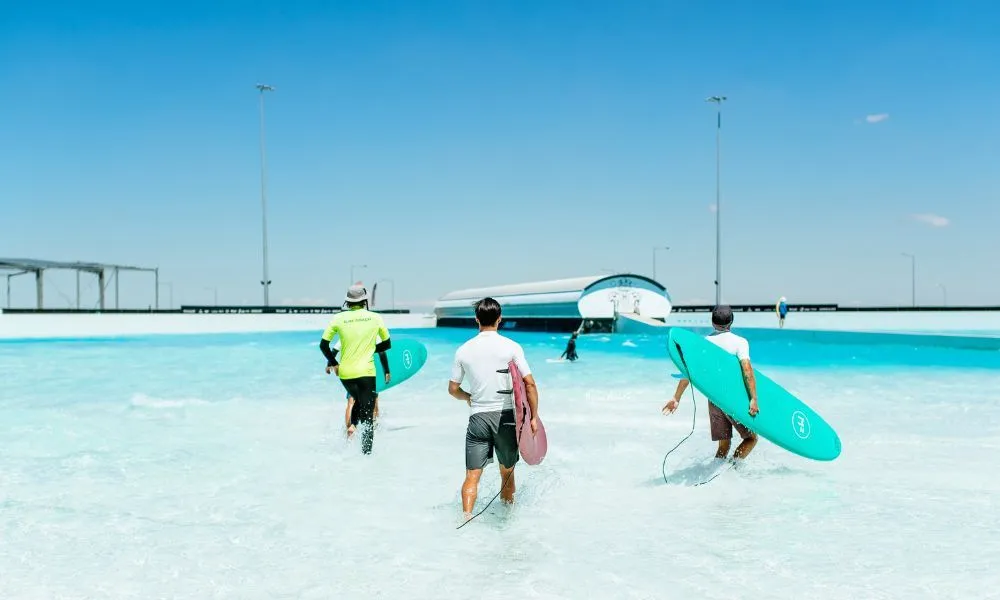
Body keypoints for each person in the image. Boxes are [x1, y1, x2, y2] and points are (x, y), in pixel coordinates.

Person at [448, 297, 539, 521]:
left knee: (472, 476)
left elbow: (452, 389)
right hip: (506, 418)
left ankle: (466, 518)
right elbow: (529, 384)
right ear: (500, 319)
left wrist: (468, 397)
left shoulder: (463, 350)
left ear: (476, 319)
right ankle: (507, 521)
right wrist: (533, 417)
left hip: (477, 418)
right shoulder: (511, 347)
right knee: (507, 473)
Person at [662, 305, 760, 460]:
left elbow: (688, 372)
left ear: (713, 323)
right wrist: (753, 398)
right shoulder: (740, 342)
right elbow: (747, 370)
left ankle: (715, 475)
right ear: (731, 322)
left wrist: (676, 398)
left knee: (724, 444)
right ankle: (732, 470)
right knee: (751, 438)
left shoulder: (704, 343)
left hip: (714, 399)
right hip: (732, 399)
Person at [319, 283, 391, 454]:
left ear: (348, 302)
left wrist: (333, 363)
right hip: (366, 373)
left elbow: (323, 345)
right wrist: (370, 350)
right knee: (368, 417)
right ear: (364, 300)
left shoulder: (338, 318)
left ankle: (352, 425)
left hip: (345, 374)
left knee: (357, 400)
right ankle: (367, 456)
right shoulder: (375, 318)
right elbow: (387, 344)